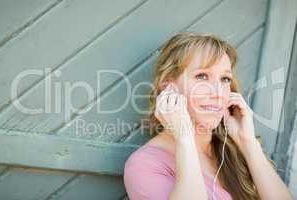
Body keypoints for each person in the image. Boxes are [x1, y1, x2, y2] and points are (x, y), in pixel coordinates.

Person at [123, 32, 293, 200]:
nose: (218, 93)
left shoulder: (233, 149)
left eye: (225, 79)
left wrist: (247, 142)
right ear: (168, 88)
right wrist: (184, 137)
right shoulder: (145, 165)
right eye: (202, 76)